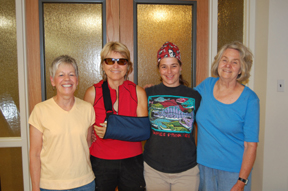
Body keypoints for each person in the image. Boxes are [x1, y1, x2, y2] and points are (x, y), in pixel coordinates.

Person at [195, 41, 259, 191]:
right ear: (218, 63)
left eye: (234, 62)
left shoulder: (250, 99)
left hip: (233, 173)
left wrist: (241, 181)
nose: (228, 65)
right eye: (224, 60)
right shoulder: (206, 85)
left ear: (241, 69)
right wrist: (156, 92)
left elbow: (251, 145)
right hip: (202, 167)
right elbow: (182, 100)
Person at [84, 41, 148, 191]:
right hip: (101, 161)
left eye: (121, 61)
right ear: (103, 66)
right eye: (110, 61)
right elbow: (85, 132)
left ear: (128, 66)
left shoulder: (138, 92)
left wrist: (112, 129)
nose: (115, 66)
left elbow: (143, 131)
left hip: (132, 161)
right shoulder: (92, 93)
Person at [29, 55, 95, 191]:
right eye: (61, 75)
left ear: (77, 80)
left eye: (71, 74)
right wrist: (35, 188)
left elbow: (88, 143)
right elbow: (34, 154)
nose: (67, 79)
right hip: (50, 186)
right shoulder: (40, 110)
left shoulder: (87, 109)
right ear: (52, 81)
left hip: (84, 184)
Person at [144, 41, 201, 191]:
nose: (169, 71)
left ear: (181, 67)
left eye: (173, 65)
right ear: (159, 69)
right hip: (153, 169)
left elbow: (206, 126)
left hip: (187, 171)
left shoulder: (194, 96)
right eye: (164, 66)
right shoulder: (147, 94)